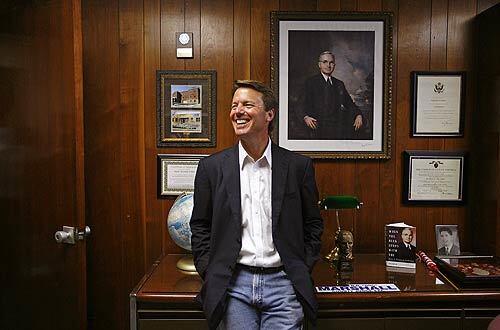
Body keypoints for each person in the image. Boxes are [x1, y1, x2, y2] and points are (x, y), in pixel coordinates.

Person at [190, 80, 324, 330]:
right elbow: (200, 226)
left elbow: (313, 224)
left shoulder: (298, 167)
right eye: (234, 105)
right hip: (234, 286)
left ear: (269, 114)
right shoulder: (211, 168)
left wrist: (301, 266)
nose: (237, 111)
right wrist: (210, 270)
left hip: (284, 285)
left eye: (247, 105)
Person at [299, 50, 363, 139]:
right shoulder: (310, 82)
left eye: (331, 62)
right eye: (325, 62)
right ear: (319, 65)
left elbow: (349, 104)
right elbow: (300, 104)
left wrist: (358, 115)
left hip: (337, 128)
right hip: (317, 126)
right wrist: (306, 117)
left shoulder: (339, 84)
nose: (328, 65)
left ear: (334, 65)